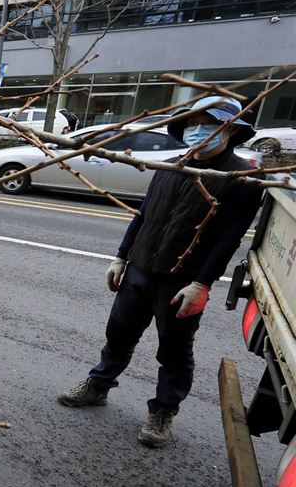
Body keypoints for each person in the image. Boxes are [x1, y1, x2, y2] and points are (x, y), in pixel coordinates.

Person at [58, 96, 262, 448]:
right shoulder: (170, 166)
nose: (199, 130)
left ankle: (163, 411)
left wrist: (201, 284)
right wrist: (121, 257)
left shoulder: (241, 179)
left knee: (174, 350)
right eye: (194, 123)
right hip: (140, 269)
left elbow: (229, 239)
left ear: (231, 130)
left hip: (182, 281)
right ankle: (98, 386)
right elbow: (143, 215)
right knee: (118, 335)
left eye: (210, 124)